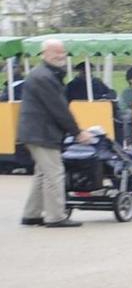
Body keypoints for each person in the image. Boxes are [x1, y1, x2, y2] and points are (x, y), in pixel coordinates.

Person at [18, 40, 90, 227]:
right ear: (45, 54)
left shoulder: (43, 74)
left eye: (62, 52)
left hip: (36, 132)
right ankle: (55, 216)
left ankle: (32, 214)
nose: (60, 56)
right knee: (54, 173)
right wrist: (78, 132)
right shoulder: (44, 77)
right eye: (55, 52)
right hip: (42, 132)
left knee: (42, 173)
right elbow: (59, 108)